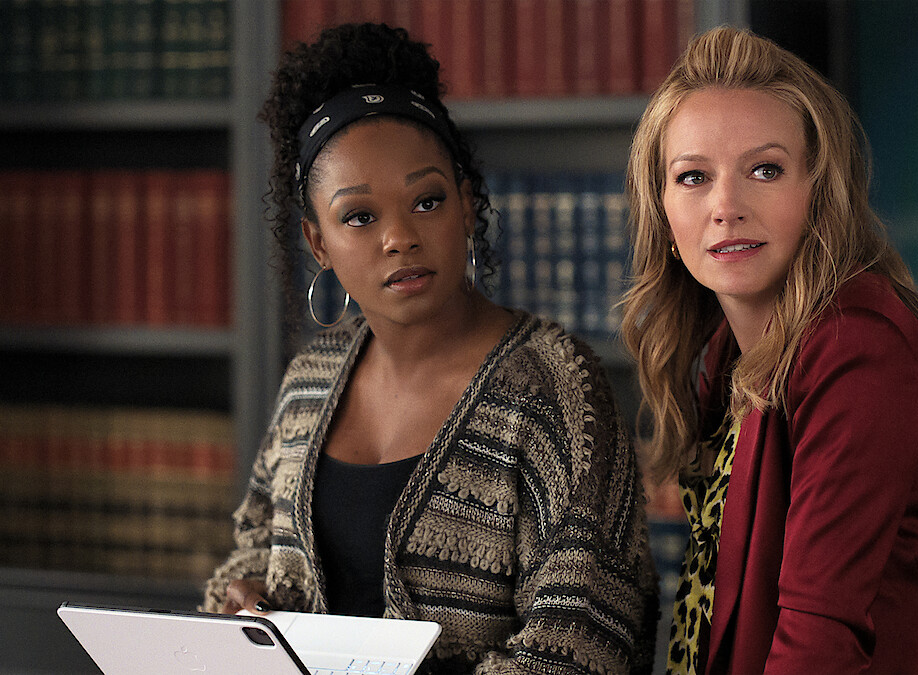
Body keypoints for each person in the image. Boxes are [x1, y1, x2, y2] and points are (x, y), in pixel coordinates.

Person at [201, 23, 659, 674]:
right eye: (360, 216)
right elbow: (255, 546)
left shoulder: (556, 387)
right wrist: (242, 598)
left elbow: (588, 639)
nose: (399, 237)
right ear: (318, 242)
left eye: (427, 201)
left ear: (466, 207)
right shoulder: (310, 378)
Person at [621, 27, 918, 674]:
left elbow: (819, 641)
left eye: (765, 170)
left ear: (818, 192)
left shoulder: (857, 349)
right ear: (661, 214)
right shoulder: (725, 353)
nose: (725, 206)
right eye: (693, 177)